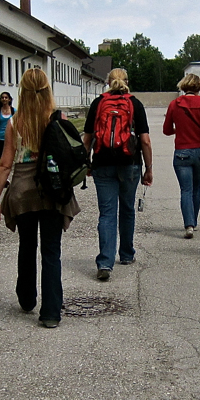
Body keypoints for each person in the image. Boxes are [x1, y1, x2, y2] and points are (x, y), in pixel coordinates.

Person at [0, 70, 79, 328]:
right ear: (48, 89)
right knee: (51, 250)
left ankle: (27, 298)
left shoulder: (16, 122)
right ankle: (51, 312)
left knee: (27, 246)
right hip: (52, 188)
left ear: (23, 91)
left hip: (23, 190)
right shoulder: (57, 118)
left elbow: (5, 164)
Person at [82, 68, 153, 281]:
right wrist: (148, 168)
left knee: (107, 213)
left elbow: (87, 138)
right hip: (129, 163)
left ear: (107, 82)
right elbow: (145, 141)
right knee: (128, 208)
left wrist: (86, 163)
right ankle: (126, 254)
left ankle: (105, 262)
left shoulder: (98, 103)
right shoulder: (135, 104)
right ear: (127, 82)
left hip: (102, 163)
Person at [163, 73, 200, 238]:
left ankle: (189, 225)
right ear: (199, 87)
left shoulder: (174, 104)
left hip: (182, 151)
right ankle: (194, 220)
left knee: (185, 189)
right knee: (196, 188)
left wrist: (178, 129)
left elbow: (166, 130)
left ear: (183, 86)